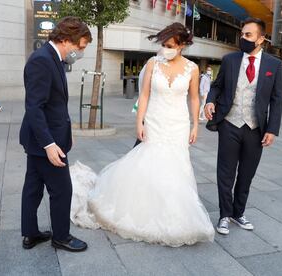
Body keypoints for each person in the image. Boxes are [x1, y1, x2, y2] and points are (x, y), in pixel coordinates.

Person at [70, 22, 215, 247]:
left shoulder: (192, 69)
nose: (165, 49)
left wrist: (195, 125)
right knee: (148, 163)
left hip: (178, 124)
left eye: (170, 45)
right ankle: (143, 209)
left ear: (182, 46)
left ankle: (172, 214)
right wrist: (140, 121)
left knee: (176, 168)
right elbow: (144, 95)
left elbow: (194, 98)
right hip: (155, 121)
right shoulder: (152, 63)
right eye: (163, 45)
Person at [204, 18, 282, 235]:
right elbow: (216, 86)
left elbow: (276, 99)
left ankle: (238, 213)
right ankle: (224, 215)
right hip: (229, 123)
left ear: (261, 39)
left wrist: (272, 129)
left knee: (246, 174)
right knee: (225, 174)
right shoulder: (229, 60)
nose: (243, 38)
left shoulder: (274, 65)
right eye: (242, 34)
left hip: (256, 128)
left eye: (248, 35)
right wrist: (210, 100)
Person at [19, 17, 92, 252]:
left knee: (33, 186)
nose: (81, 51)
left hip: (42, 137)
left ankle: (30, 234)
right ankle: (61, 237)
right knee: (62, 190)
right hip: (45, 140)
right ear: (65, 39)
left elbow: (54, 103)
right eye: (80, 46)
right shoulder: (42, 60)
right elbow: (34, 107)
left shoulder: (53, 58)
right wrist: (50, 144)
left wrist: (66, 130)